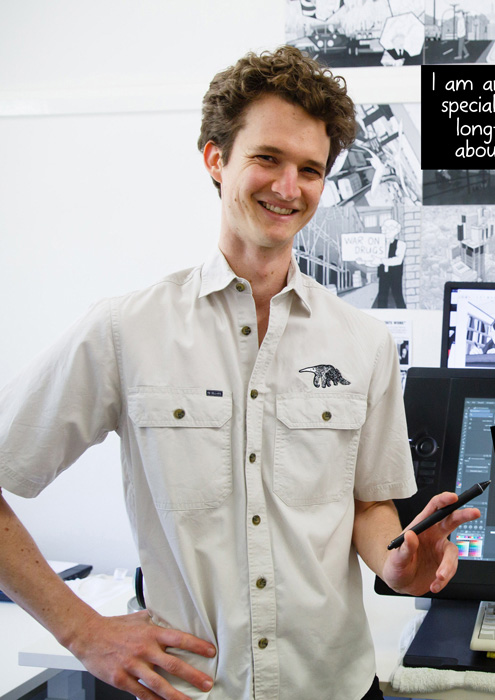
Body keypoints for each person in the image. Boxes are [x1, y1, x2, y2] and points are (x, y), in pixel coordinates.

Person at [0, 46, 480, 700]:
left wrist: (398, 564)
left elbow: (368, 504)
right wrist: (81, 630)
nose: (289, 187)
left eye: (310, 169)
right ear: (215, 159)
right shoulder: (124, 329)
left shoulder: (362, 341)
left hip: (333, 685)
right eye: (267, 159)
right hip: (189, 688)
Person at [372, 218, 407, 309]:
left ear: (396, 230)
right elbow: (375, 261)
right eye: (384, 228)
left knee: (398, 297)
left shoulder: (401, 244)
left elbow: (398, 260)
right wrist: (364, 261)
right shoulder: (379, 245)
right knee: (382, 299)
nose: (384, 230)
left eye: (388, 228)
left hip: (395, 275)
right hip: (383, 275)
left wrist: (381, 260)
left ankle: (404, 316)